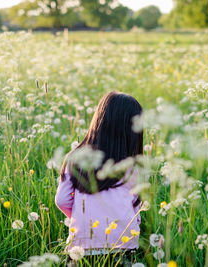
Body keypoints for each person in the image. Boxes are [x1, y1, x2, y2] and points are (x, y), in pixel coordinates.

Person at [55, 91, 144, 266]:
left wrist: (80, 215)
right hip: (123, 243)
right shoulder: (132, 167)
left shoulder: (75, 159)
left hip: (83, 244)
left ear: (99, 121)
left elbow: (62, 200)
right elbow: (136, 207)